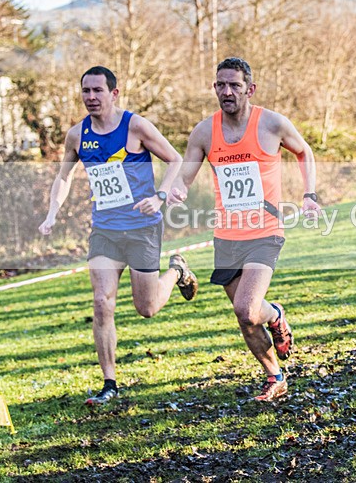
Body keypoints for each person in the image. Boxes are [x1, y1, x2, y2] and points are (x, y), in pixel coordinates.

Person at [38, 66, 198, 405]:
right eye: (86, 91)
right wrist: (52, 213)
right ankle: (109, 383)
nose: (91, 97)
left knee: (147, 307)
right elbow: (64, 176)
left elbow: (174, 159)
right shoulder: (77, 135)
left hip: (142, 228)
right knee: (101, 302)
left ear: (114, 93)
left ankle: (178, 271)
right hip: (105, 230)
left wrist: (159, 196)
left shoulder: (135, 126)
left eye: (98, 90)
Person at [170, 57, 320, 402]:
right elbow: (186, 175)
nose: (227, 92)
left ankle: (275, 314)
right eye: (221, 85)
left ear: (250, 89)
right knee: (245, 319)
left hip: (265, 230)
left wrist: (309, 194)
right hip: (226, 235)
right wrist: (178, 189)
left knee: (247, 309)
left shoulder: (271, 124)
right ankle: (274, 376)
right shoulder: (204, 132)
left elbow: (305, 152)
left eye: (234, 85)